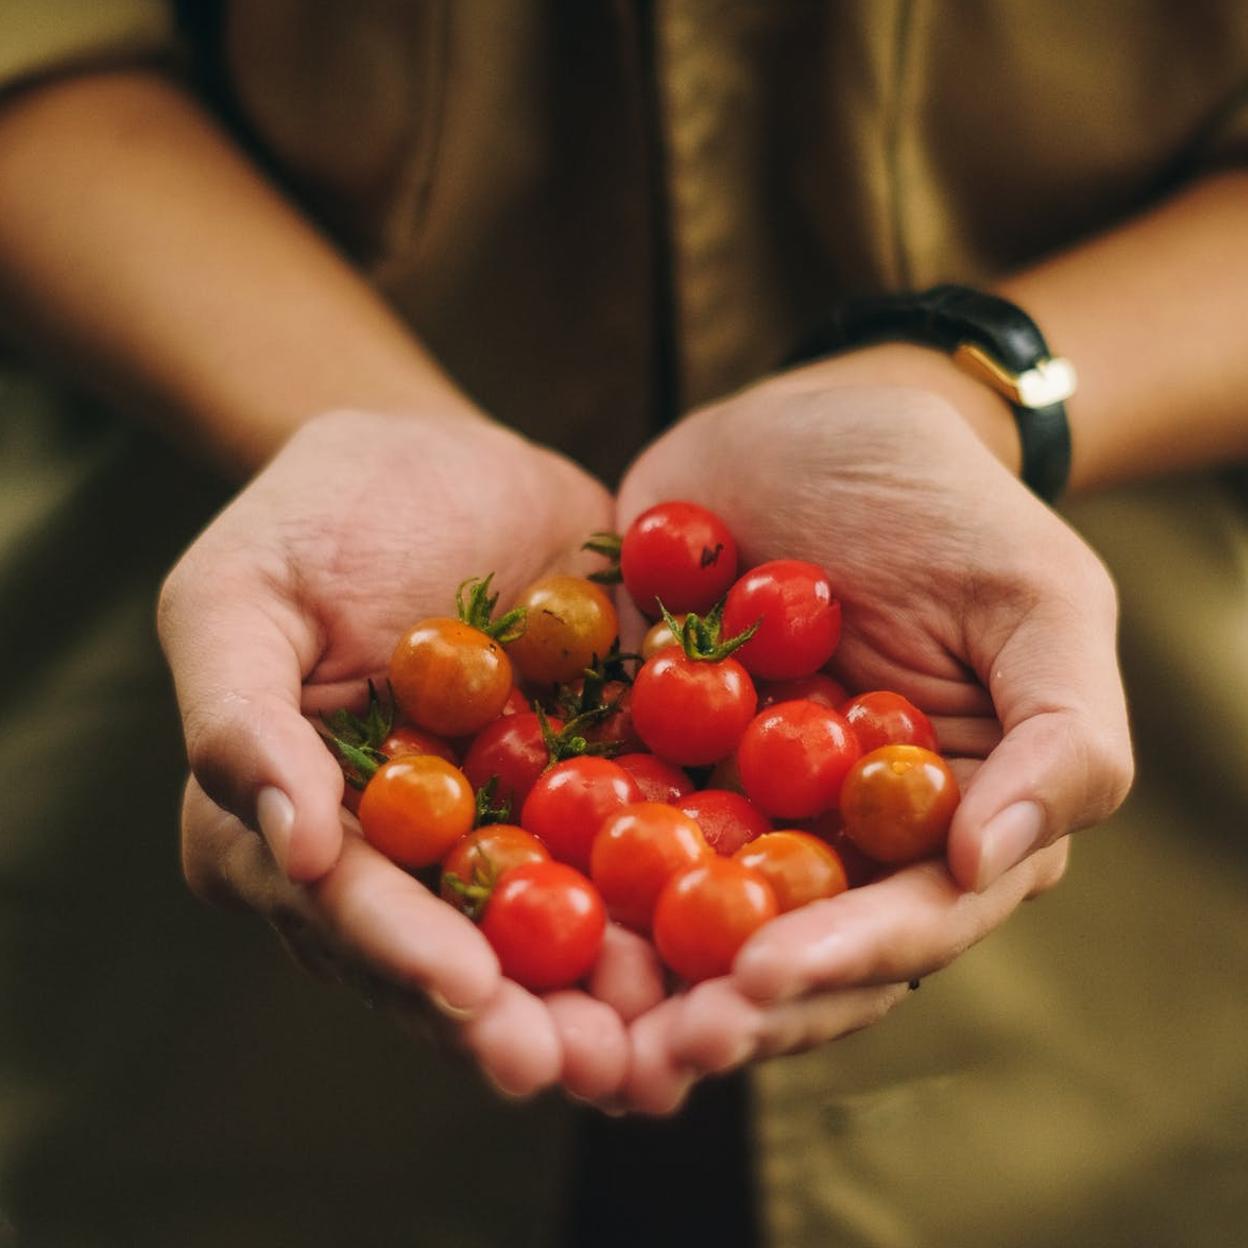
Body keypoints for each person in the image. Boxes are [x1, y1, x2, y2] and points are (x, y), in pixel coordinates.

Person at [0, 3, 1245, 1244]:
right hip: (199, 977)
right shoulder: (549, 719)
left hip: (1116, 973)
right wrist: (350, 418)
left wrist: (970, 396)